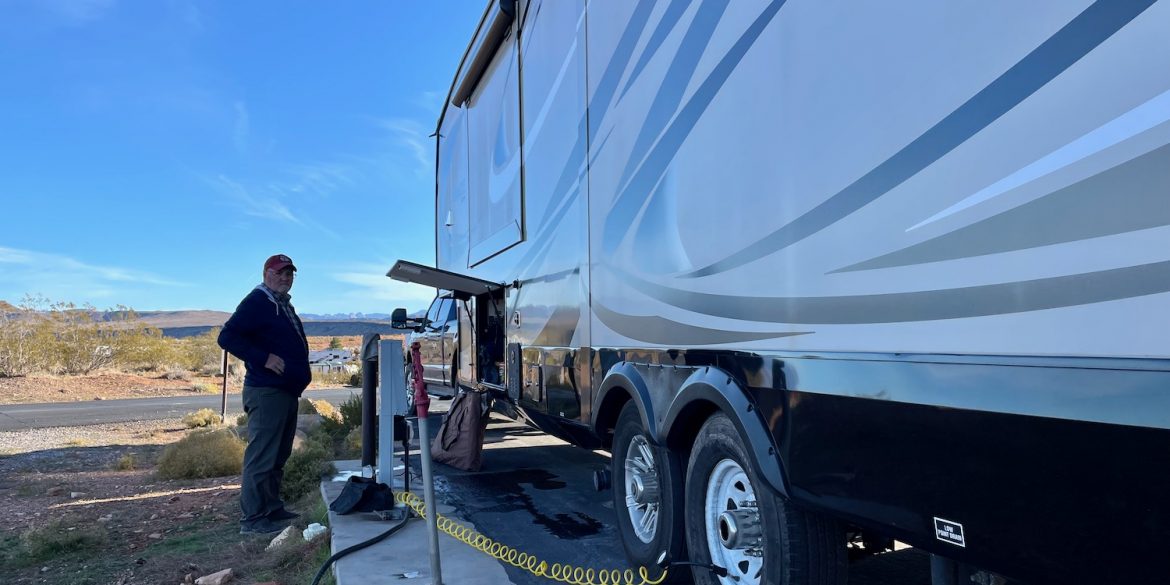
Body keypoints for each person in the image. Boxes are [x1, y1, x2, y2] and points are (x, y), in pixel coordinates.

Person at [218, 254, 311, 534]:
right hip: (266, 390)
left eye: (290, 273)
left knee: (278, 454)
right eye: (280, 272)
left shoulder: (280, 304)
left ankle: (272, 507)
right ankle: (253, 518)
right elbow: (227, 337)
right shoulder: (258, 302)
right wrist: (264, 358)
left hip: (284, 391)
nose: (286, 277)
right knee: (262, 455)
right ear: (266, 274)